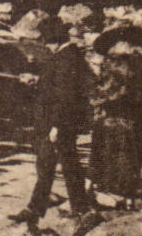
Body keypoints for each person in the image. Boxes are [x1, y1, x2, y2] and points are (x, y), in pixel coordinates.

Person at [12, 15, 94, 221]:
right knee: (67, 163)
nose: (43, 45)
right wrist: (37, 81)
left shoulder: (65, 59)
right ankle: (79, 208)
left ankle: (38, 210)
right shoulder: (68, 56)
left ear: (52, 40)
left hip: (58, 122)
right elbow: (56, 86)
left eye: (44, 40)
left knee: (49, 164)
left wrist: (57, 126)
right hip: (62, 121)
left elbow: (66, 95)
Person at [89, 24, 142, 207]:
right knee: (133, 153)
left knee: (112, 155)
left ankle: (111, 195)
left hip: (114, 117)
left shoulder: (115, 63)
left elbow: (107, 92)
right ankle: (128, 194)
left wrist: (92, 98)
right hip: (137, 117)